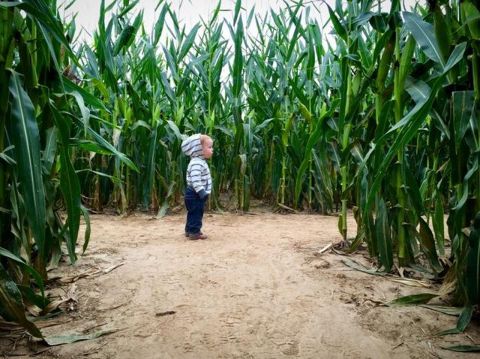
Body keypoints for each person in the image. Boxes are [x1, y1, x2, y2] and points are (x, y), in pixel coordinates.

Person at [181, 134, 213, 240]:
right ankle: (195, 232)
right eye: (209, 147)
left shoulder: (198, 162)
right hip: (195, 194)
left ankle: (189, 230)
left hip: (193, 193)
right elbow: (195, 180)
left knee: (192, 212)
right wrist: (202, 192)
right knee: (197, 213)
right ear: (199, 149)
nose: (212, 150)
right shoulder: (197, 163)